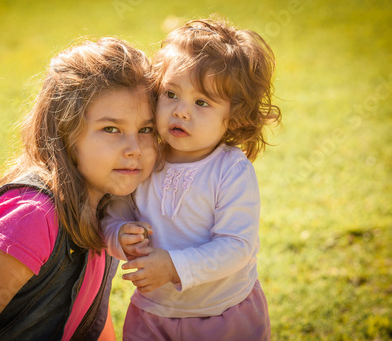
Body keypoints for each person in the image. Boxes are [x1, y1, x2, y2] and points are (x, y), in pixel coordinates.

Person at [0, 37, 157, 341]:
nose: (135, 148)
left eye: (146, 129)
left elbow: (89, 321)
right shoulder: (33, 216)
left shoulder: (111, 208)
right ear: (65, 132)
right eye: (111, 129)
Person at [102, 18, 281, 341]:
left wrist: (173, 266)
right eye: (171, 94)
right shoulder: (143, 155)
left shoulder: (230, 170)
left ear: (234, 117)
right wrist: (118, 234)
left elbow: (237, 246)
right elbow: (114, 208)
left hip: (224, 314)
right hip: (153, 313)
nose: (181, 111)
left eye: (201, 102)